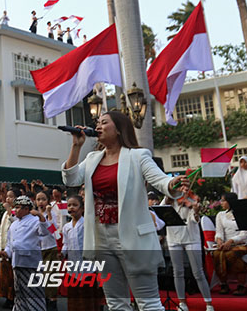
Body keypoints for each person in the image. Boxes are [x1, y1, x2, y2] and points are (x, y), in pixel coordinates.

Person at [62, 110, 189, 311]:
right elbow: (70, 179)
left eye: (104, 122)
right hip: (101, 236)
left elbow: (160, 180)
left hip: (132, 236)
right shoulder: (93, 158)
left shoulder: (138, 156)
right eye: (97, 123)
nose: (98, 127)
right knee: (115, 302)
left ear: (120, 129)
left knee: (148, 302)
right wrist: (76, 147)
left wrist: (172, 183)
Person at [162, 195, 214, 311]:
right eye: (180, 187)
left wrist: (195, 211)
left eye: (185, 188)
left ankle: (209, 303)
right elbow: (160, 211)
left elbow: (194, 220)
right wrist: (168, 195)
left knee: (198, 272)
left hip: (191, 238)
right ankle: (182, 302)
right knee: (177, 271)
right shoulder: (168, 200)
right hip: (173, 238)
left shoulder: (191, 201)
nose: (183, 190)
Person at [0, 195, 49, 311]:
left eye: (18, 207)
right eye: (15, 207)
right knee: (19, 292)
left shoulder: (35, 220)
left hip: (31, 263)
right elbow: (10, 244)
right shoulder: (14, 224)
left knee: (34, 293)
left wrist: (41, 216)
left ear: (27, 209)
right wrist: (6, 253)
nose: (15, 210)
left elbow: (45, 232)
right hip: (17, 262)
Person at [212, 192, 247, 295]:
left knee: (231, 254)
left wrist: (231, 241)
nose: (221, 203)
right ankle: (224, 284)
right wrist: (219, 240)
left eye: (223, 200)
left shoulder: (243, 214)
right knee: (217, 254)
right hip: (225, 245)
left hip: (242, 245)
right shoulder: (220, 215)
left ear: (230, 202)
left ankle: (241, 285)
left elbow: (244, 234)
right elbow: (219, 232)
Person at [36, 191, 59, 310]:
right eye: (38, 199)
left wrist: (49, 213)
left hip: (50, 247)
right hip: (39, 248)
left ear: (48, 201)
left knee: (51, 275)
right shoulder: (33, 214)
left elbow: (53, 229)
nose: (41, 202)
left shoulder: (51, 213)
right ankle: (43, 300)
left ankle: (52, 302)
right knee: (40, 276)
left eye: (43, 199)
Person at [0, 188, 17, 309]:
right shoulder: (5, 213)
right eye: (7, 196)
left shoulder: (14, 212)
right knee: (4, 275)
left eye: (11, 196)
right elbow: (2, 230)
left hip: (12, 248)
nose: (8, 199)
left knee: (11, 275)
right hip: (3, 246)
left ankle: (12, 297)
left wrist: (9, 211)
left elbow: (15, 222)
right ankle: (6, 297)